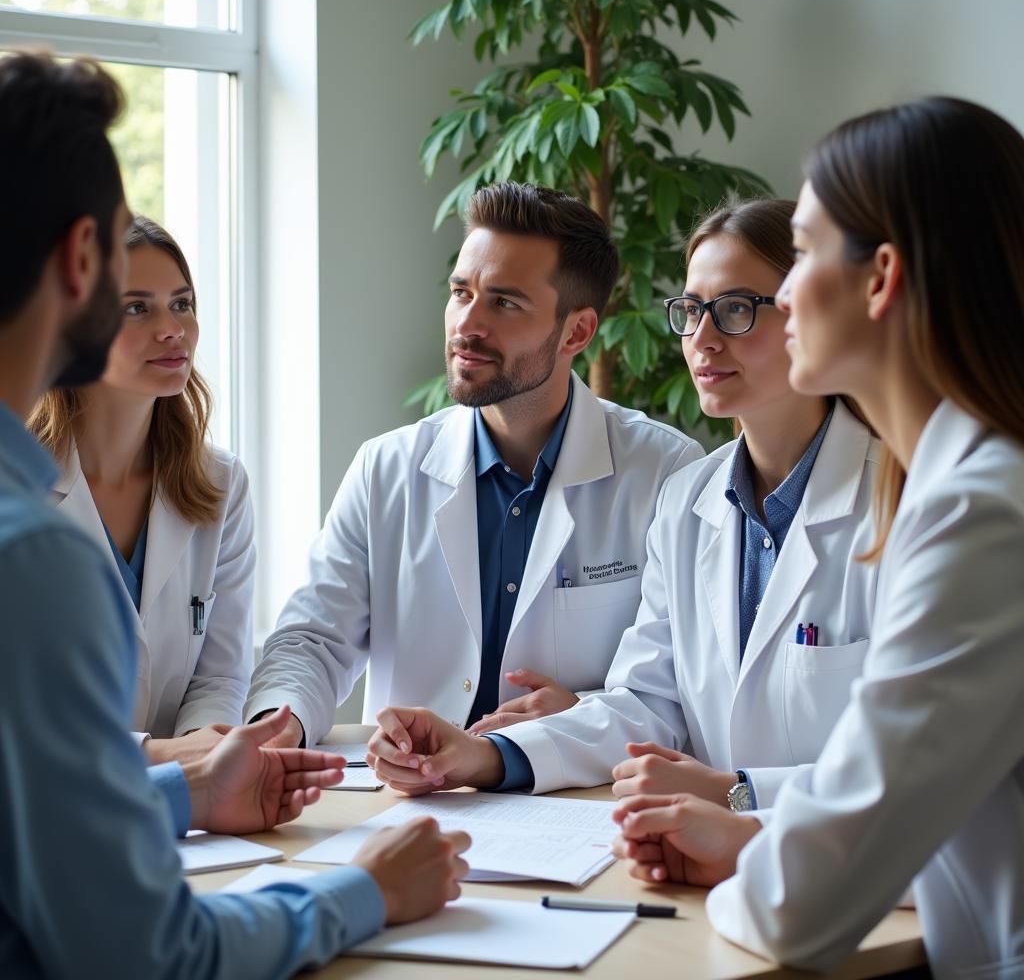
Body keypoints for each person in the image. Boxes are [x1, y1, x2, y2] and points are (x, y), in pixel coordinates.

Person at [0, 49, 468, 979]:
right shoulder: (31, 558)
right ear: (83, 257)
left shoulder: (200, 486)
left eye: (183, 303)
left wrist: (185, 794)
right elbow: (143, 955)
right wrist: (363, 889)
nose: (168, 325)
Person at [612, 97, 1024, 978]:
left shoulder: (982, 510)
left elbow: (800, 903)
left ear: (881, 278)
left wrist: (745, 848)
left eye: (800, 255)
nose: (785, 293)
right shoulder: (963, 482)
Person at [365, 200, 880, 808]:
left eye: (736, 310)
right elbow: (647, 703)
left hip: (870, 885)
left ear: (809, 313)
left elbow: (920, 759)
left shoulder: (898, 502)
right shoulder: (690, 500)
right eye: (692, 311)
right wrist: (479, 755)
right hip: (711, 863)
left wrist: (739, 796)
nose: (703, 340)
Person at [245, 181, 704, 747]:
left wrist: (582, 713)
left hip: (574, 805)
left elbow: (683, 683)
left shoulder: (665, 472)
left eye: (505, 302)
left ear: (577, 331)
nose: (468, 325)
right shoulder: (386, 469)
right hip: (412, 799)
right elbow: (311, 640)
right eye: (461, 292)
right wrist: (279, 724)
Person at [30, 215, 255, 764]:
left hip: (192, 814)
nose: (172, 328)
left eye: (182, 304)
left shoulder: (220, 484)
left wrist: (210, 748)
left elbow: (221, 674)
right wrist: (168, 757)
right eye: (137, 308)